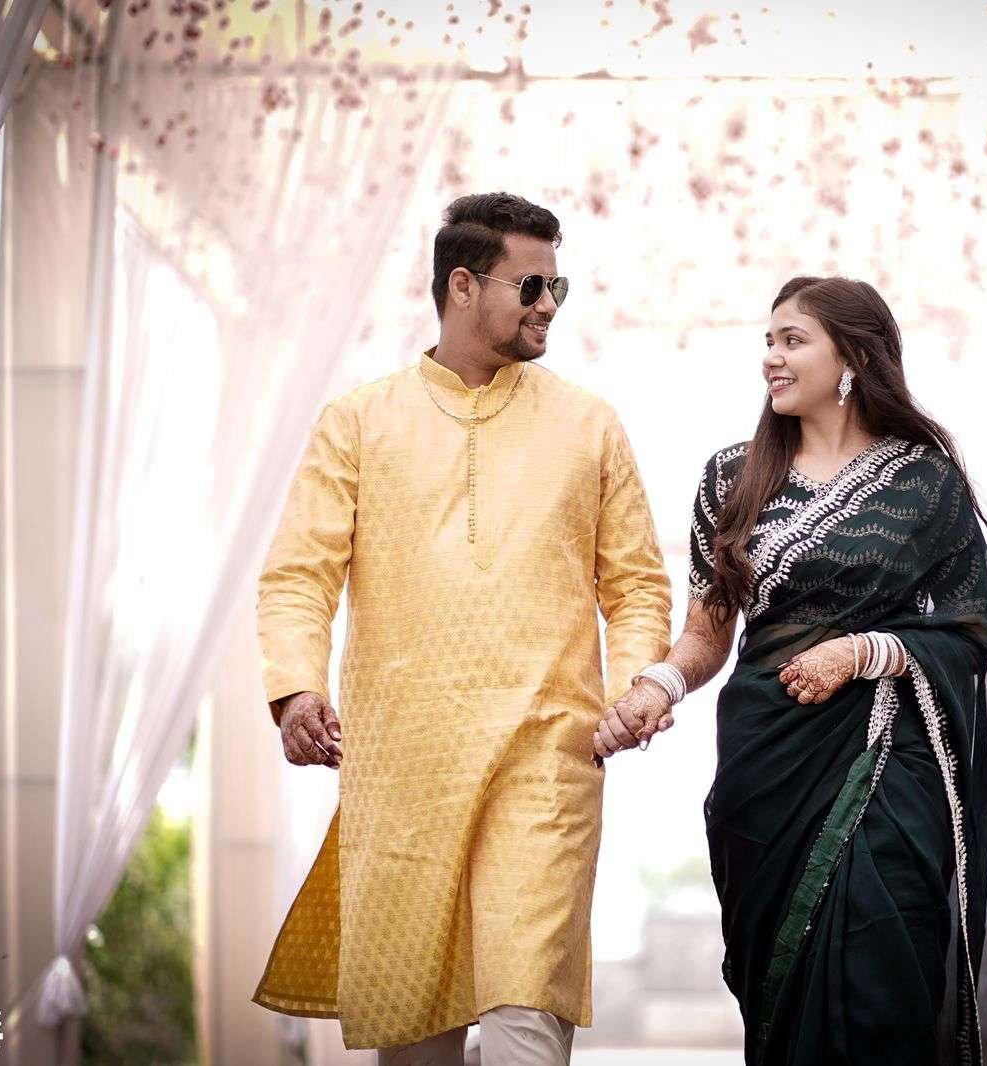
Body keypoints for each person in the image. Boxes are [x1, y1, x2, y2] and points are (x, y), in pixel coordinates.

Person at [253, 192, 674, 1065]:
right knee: (417, 1036)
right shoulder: (359, 422)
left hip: (547, 759)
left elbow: (636, 582)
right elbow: (299, 575)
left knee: (527, 1019)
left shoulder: (588, 425)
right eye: (532, 287)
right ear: (463, 285)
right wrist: (295, 691)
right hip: (405, 769)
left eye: (559, 287)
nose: (549, 305)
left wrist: (638, 684)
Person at [594, 276, 987, 1064]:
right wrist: (657, 686)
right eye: (768, 341)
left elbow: (969, 634)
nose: (771, 358)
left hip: (887, 763)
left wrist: (862, 653)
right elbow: (708, 631)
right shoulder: (731, 476)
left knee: (882, 978)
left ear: (855, 356)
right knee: (782, 995)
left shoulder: (925, 481)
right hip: (767, 769)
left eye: (793, 340)